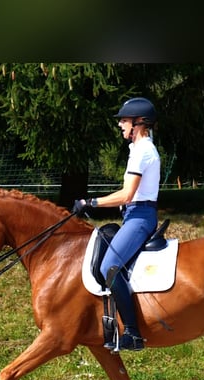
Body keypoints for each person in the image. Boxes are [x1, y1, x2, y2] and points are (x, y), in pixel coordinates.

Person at [73, 97, 161, 351]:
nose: (120, 125)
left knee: (109, 266)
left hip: (140, 217)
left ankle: (133, 333)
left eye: (124, 120)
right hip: (134, 215)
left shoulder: (143, 151)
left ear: (138, 123)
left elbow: (126, 195)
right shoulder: (139, 149)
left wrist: (90, 202)